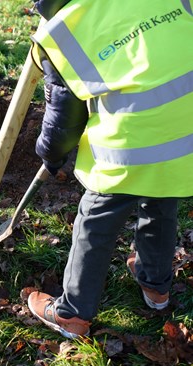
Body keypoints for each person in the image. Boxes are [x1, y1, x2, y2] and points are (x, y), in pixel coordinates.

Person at [26, 0, 193, 338]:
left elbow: (63, 120)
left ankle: (72, 314)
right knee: (160, 199)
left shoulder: (66, 30)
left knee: (95, 222)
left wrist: (51, 155)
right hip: (185, 136)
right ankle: (156, 287)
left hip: (132, 144)